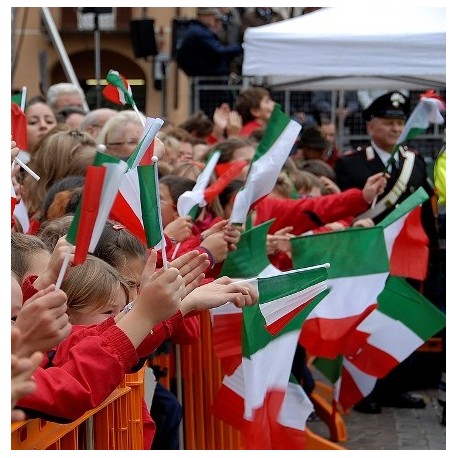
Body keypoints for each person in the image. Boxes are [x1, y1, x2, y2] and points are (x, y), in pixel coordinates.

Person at [334, 91, 437, 414]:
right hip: (366, 256)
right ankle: (366, 390)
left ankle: (396, 387)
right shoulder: (350, 163)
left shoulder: (415, 160)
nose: (395, 128)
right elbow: (340, 210)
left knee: (397, 318)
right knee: (367, 320)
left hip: (405, 255)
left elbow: (423, 211)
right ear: (371, 125)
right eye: (388, 122)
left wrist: (430, 253)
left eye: (399, 122)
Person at [175, 7, 244, 117]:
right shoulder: (199, 32)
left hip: (211, 81)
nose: (215, 21)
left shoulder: (198, 30)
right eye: (213, 17)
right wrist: (241, 47)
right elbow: (219, 50)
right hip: (210, 83)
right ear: (203, 16)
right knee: (215, 114)